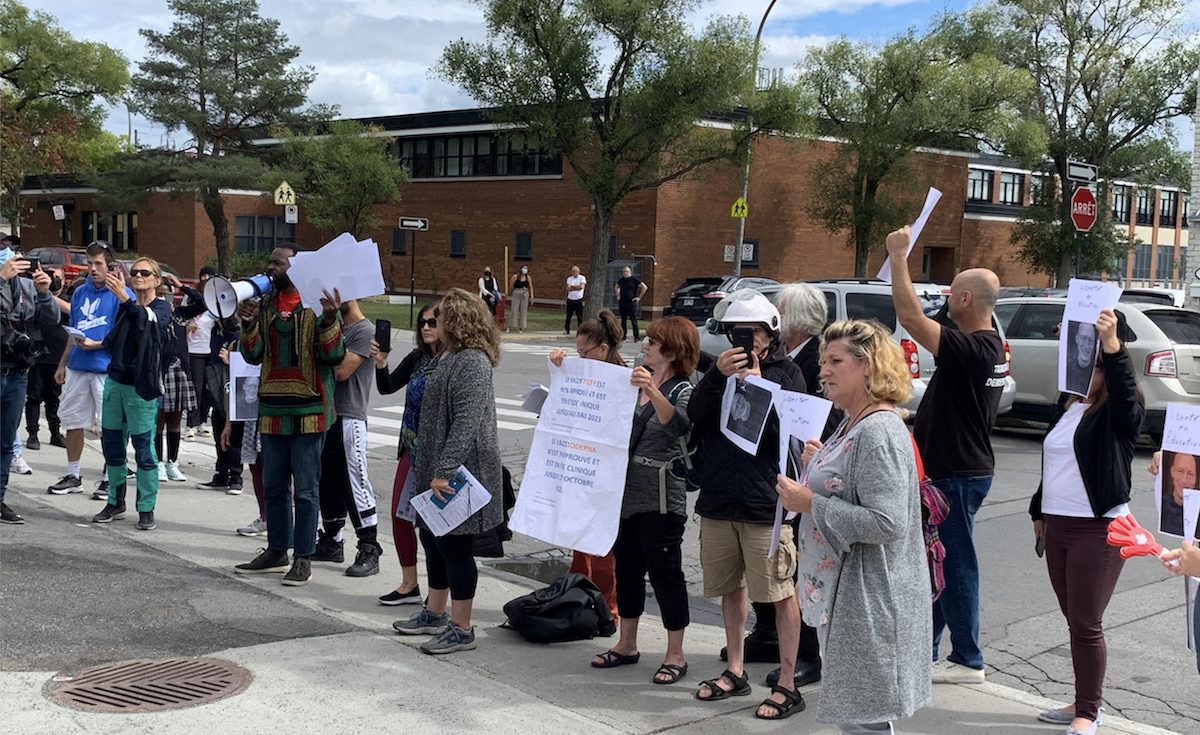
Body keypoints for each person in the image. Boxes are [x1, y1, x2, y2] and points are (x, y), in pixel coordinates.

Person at [776, 318, 932, 733]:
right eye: (824, 360)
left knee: (864, 718)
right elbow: (852, 487)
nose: (822, 370)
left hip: (868, 594)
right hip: (846, 594)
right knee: (858, 713)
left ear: (868, 367)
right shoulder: (854, 421)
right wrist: (818, 466)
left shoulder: (879, 430)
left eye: (834, 361)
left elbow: (887, 522)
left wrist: (810, 501)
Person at [886, 225, 1004, 684]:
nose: (947, 297)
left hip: (958, 473)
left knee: (955, 565)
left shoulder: (975, 347)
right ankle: (926, 649)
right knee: (937, 563)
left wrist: (899, 256)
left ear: (966, 300)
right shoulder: (985, 346)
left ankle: (968, 659)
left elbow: (912, 319)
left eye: (953, 291)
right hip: (954, 470)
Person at [687, 290, 807, 719]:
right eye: (737, 332)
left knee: (779, 593)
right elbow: (695, 418)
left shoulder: (788, 372)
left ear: (770, 333)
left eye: (753, 331)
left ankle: (788, 683)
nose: (745, 340)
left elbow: (788, 428)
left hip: (764, 503)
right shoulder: (717, 370)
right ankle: (734, 671)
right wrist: (717, 378)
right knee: (729, 588)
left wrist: (756, 384)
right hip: (720, 498)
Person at [1029, 308, 1144, 735]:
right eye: (1083, 363)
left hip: (1100, 529)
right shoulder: (1070, 407)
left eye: (1094, 365)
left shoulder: (1118, 414)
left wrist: (1111, 347)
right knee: (1074, 618)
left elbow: (1127, 397)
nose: (1085, 372)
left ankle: (1088, 713)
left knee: (1086, 621)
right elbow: (1055, 465)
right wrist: (1039, 511)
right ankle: (1080, 700)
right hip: (1059, 527)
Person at [393, 287, 504, 654]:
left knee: (455, 547)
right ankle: (434, 611)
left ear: (455, 321)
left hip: (461, 470)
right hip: (435, 465)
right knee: (433, 539)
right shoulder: (446, 356)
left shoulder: (472, 360)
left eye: (438, 317)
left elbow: (467, 423)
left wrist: (443, 469)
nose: (431, 322)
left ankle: (462, 627)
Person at [588, 316, 698, 685]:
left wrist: (652, 390)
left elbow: (680, 424)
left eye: (653, 342)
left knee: (666, 576)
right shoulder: (632, 382)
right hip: (625, 495)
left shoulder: (683, 388)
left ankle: (675, 653)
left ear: (672, 350)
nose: (646, 345)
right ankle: (627, 644)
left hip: (661, 498)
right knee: (628, 571)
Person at [233, 244, 345, 587]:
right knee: (273, 485)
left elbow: (334, 356)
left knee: (307, 490)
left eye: (277, 263)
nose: (271, 268)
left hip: (311, 409)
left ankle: (303, 557)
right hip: (272, 408)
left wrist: (329, 319)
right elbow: (252, 356)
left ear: (295, 268)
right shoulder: (265, 306)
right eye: (270, 262)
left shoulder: (318, 304)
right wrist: (248, 323)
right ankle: (277, 550)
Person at [737, 282, 829, 689]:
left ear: (790, 319)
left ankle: (808, 655)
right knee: (770, 560)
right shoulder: (790, 354)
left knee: (794, 569)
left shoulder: (812, 360)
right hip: (773, 475)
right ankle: (768, 635)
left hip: (804, 472)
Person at [548, 310, 626, 622]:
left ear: (603, 349)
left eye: (584, 352)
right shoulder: (581, 375)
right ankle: (580, 594)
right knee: (580, 537)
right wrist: (559, 372)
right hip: (580, 466)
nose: (579, 356)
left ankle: (609, 604)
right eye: (577, 352)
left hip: (606, 471)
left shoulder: (622, 380)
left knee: (604, 543)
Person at [92, 258, 173, 531]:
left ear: (157, 280)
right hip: (116, 381)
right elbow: (114, 338)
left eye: (144, 272)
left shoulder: (162, 308)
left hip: (142, 388)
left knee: (144, 450)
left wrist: (125, 299)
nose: (138, 276)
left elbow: (149, 326)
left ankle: (146, 508)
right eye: (134, 272)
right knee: (112, 446)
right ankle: (115, 501)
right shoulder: (127, 306)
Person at [49, 241, 130, 498]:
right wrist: (63, 363)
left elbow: (125, 336)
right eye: (89, 263)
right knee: (73, 421)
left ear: (110, 266)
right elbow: (73, 332)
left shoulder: (120, 294)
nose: (93, 268)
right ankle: (74, 475)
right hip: (77, 366)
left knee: (110, 426)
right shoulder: (81, 292)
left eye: (98, 264)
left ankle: (110, 477)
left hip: (105, 369)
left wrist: (98, 345)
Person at [374, 300, 442, 605]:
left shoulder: (453, 360)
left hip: (438, 452)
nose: (426, 327)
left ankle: (438, 593)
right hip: (410, 447)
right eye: (422, 323)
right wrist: (381, 362)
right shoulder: (417, 358)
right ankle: (408, 583)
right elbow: (387, 387)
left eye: (432, 322)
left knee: (435, 525)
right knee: (400, 516)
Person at [313, 299, 383, 577]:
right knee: (328, 483)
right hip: (327, 414)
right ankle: (332, 540)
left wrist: (318, 355)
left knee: (355, 482)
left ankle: (369, 546)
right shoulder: (336, 328)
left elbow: (341, 371)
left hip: (349, 415)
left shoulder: (364, 331)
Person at [0, 245, 58, 524]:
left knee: (4, 444)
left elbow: (51, 320)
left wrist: (45, 292)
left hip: (17, 372)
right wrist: (1, 279)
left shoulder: (26, 287)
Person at [154, 273, 208, 483]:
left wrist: (181, 285)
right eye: (160, 292)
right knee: (159, 419)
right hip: (161, 369)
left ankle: (172, 462)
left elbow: (203, 303)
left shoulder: (179, 313)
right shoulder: (152, 312)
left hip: (180, 370)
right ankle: (158, 462)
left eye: (167, 291)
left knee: (176, 419)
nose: (164, 296)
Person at [24, 266, 68, 451]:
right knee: (33, 397)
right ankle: (32, 434)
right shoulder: (34, 298)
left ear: (64, 281)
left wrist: (48, 293)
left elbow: (72, 311)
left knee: (54, 398)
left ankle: (55, 433)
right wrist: (41, 291)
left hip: (57, 357)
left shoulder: (66, 300)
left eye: (56, 278)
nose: (51, 280)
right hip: (36, 355)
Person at [184, 264, 219, 441]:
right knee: (195, 388)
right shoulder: (190, 304)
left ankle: (203, 421)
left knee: (209, 390)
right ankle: (191, 424)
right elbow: (178, 325)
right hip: (194, 352)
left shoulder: (216, 307)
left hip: (210, 352)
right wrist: (187, 328)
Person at [1159, 451, 1197, 538]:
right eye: (1180, 471)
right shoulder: (1163, 504)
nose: (1184, 480)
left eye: (1190, 474)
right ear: (1172, 471)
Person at [1065, 321, 1097, 396]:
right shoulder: (1068, 367)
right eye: (1083, 338)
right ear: (1077, 339)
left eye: (1090, 340)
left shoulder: (1099, 368)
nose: (1086, 346)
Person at [614, 266, 647, 341]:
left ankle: (636, 336)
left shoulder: (634, 280)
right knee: (623, 320)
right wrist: (618, 295)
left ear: (630, 272)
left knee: (633, 320)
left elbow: (644, 287)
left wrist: (639, 297)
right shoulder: (621, 280)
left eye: (626, 271)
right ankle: (623, 336)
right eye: (624, 272)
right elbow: (616, 286)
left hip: (631, 302)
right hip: (622, 302)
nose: (625, 273)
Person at [507, 266, 533, 333]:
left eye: (526, 269)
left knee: (523, 311)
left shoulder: (528, 277)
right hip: (517, 292)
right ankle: (509, 326)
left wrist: (531, 297)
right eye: (524, 268)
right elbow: (511, 285)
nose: (525, 270)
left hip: (525, 293)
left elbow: (530, 287)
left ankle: (521, 327)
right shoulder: (516, 276)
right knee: (514, 310)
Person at [564, 265, 586, 335]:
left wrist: (572, 287)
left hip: (578, 299)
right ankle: (567, 329)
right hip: (570, 299)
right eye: (572, 271)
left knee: (579, 316)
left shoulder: (582, 278)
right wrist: (575, 287)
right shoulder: (569, 279)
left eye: (574, 271)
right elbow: (568, 288)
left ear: (578, 272)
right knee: (568, 316)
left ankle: (580, 331)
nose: (573, 273)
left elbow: (581, 287)